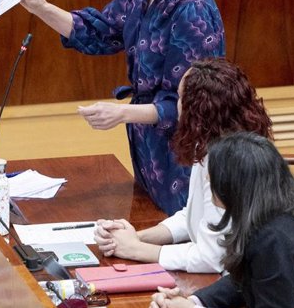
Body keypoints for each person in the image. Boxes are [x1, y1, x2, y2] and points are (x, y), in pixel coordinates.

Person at [13, 0, 225, 215]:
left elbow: (187, 106)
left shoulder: (193, 14)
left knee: (179, 232)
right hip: (147, 141)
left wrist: (121, 114)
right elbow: (105, 32)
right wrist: (40, 7)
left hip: (183, 153)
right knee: (147, 221)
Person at [94, 58, 273, 273]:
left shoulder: (229, 162)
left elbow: (212, 258)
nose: (176, 106)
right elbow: (199, 214)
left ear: (198, 110)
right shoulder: (212, 143)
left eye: (179, 98)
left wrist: (136, 250)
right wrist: (136, 237)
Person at [150, 132, 294, 308]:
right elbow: (244, 280)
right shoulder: (274, 215)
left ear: (234, 184)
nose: (207, 178)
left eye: (214, 173)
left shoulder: (272, 240)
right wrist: (193, 301)